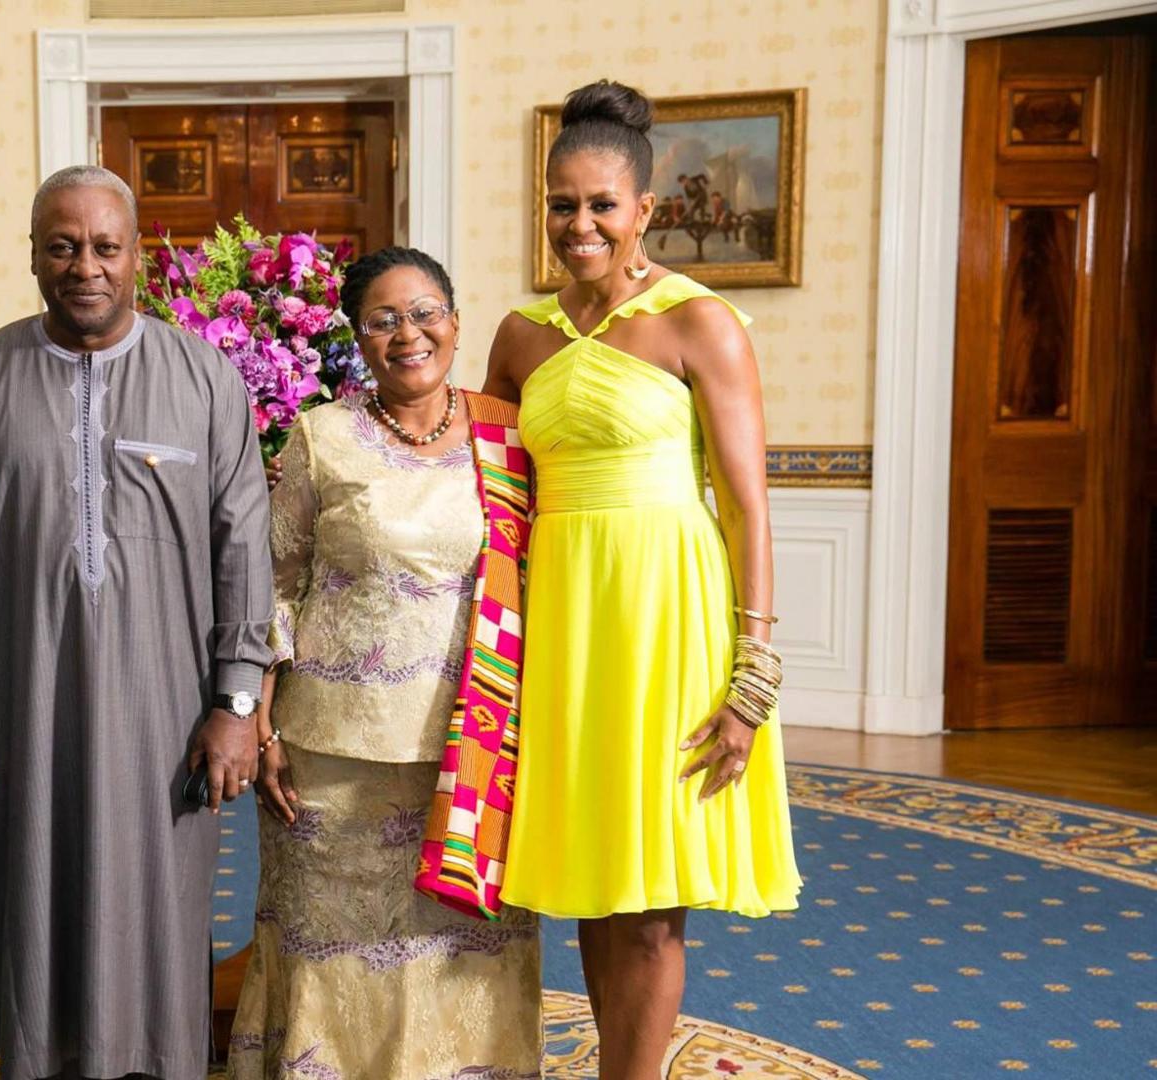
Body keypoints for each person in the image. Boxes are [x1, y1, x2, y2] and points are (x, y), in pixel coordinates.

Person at [0, 164, 274, 1080]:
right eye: (63, 247)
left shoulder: (202, 377)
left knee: (160, 903)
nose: (86, 268)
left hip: (169, 721)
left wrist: (236, 704)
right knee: (32, 897)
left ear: (138, 255)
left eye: (106, 247)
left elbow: (244, 549)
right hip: (17, 711)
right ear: (33, 255)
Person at [482, 81, 801, 1078]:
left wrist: (752, 674)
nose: (580, 225)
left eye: (601, 205)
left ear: (646, 210)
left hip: (670, 620)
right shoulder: (520, 336)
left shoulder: (699, 324)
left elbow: (747, 503)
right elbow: (474, 477)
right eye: (561, 205)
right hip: (563, 623)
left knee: (654, 894)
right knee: (593, 871)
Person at [229, 247, 543, 1079]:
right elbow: (275, 589)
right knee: (331, 950)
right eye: (383, 319)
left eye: (426, 311)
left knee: (457, 956)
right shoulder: (322, 435)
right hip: (333, 754)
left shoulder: (510, 438)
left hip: (476, 749)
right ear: (356, 339)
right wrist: (260, 721)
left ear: (456, 320)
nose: (410, 333)